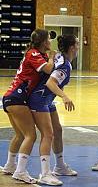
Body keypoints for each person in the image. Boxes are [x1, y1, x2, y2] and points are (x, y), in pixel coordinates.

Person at [2, 29, 55, 184]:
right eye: (48, 40)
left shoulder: (38, 54)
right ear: (44, 42)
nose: (51, 42)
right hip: (16, 98)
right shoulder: (33, 54)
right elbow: (47, 69)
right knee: (31, 136)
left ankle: (9, 165)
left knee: (19, 135)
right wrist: (52, 58)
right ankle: (20, 171)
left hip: (11, 98)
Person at [28, 34, 78, 185]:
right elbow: (51, 83)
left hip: (47, 99)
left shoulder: (61, 59)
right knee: (48, 134)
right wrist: (64, 96)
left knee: (57, 130)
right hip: (39, 98)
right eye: (77, 44)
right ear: (72, 47)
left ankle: (60, 166)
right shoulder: (65, 65)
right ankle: (45, 173)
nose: (78, 46)